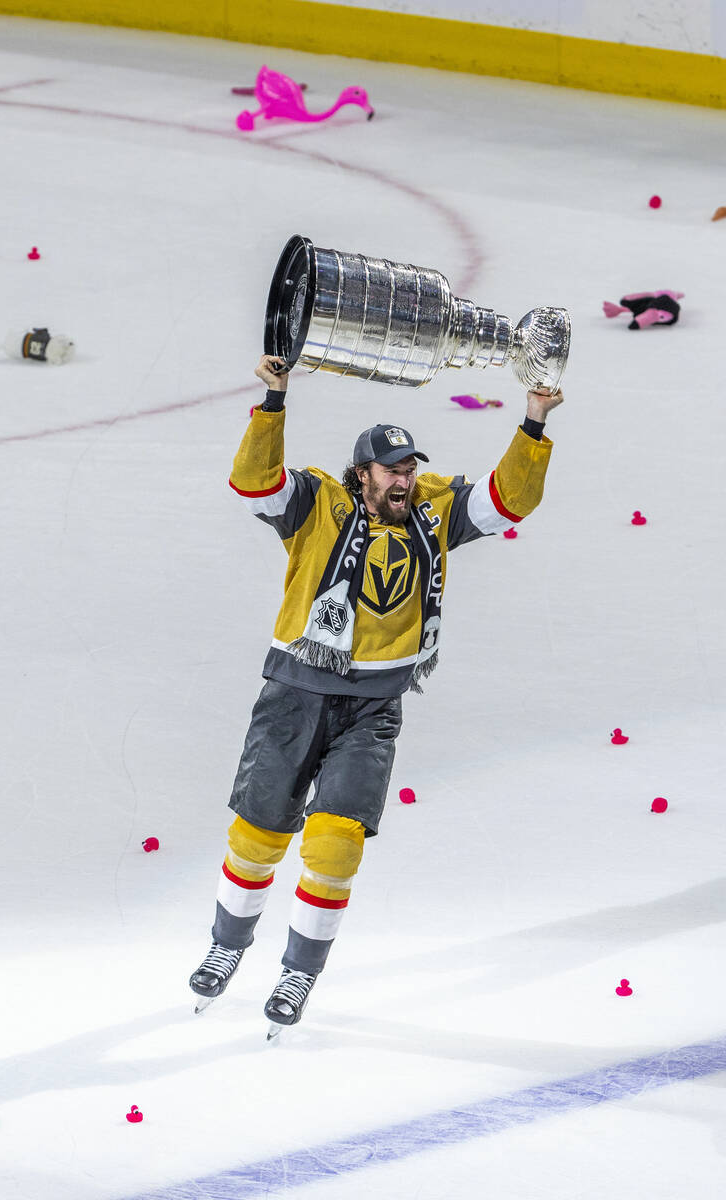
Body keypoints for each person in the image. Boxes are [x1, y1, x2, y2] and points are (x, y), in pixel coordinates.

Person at [189, 353, 563, 1035]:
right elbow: (253, 483)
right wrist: (272, 401)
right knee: (258, 834)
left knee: (335, 845)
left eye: (409, 468)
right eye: (391, 469)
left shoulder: (433, 511)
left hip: (372, 706)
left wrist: (532, 420)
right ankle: (227, 945)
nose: (404, 479)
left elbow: (510, 499)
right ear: (361, 473)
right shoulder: (315, 504)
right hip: (294, 693)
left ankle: (300, 967)